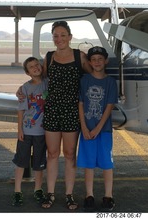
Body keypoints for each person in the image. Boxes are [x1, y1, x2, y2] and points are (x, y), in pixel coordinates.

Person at [15, 21, 91, 209]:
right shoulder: (49, 57)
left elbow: (91, 77)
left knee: (70, 154)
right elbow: (39, 79)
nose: (59, 39)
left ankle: (69, 194)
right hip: (52, 111)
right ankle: (50, 193)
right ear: (53, 38)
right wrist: (22, 88)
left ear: (70, 37)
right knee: (52, 154)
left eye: (63, 35)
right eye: (56, 35)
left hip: (71, 112)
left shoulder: (79, 56)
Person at [77, 46, 118, 212]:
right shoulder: (85, 80)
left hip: (104, 130)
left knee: (107, 164)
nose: (97, 62)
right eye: (93, 59)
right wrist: (84, 127)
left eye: (100, 59)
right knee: (89, 164)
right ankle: (89, 195)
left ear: (106, 61)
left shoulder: (110, 82)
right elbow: (80, 104)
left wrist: (98, 128)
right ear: (89, 62)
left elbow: (108, 107)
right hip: (87, 129)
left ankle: (108, 196)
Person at [12, 57, 48, 206]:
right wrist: (19, 129)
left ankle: (38, 189)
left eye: (37, 65)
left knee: (39, 164)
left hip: (42, 132)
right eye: (31, 67)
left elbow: (48, 60)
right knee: (21, 162)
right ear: (28, 73)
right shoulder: (25, 88)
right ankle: (17, 191)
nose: (35, 68)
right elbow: (21, 110)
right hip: (27, 131)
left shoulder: (48, 83)